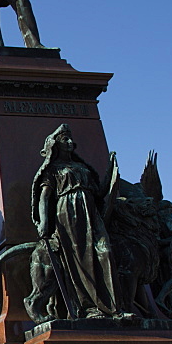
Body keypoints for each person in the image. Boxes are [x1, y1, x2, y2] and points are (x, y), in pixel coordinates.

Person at [27, 124, 118, 321]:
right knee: (80, 258)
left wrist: (111, 172)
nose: (70, 143)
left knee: (104, 251)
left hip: (91, 211)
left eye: (70, 139)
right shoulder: (53, 169)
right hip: (68, 211)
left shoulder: (83, 167)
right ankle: (89, 307)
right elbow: (44, 197)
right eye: (64, 139)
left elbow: (100, 192)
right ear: (55, 145)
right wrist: (43, 223)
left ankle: (112, 306)